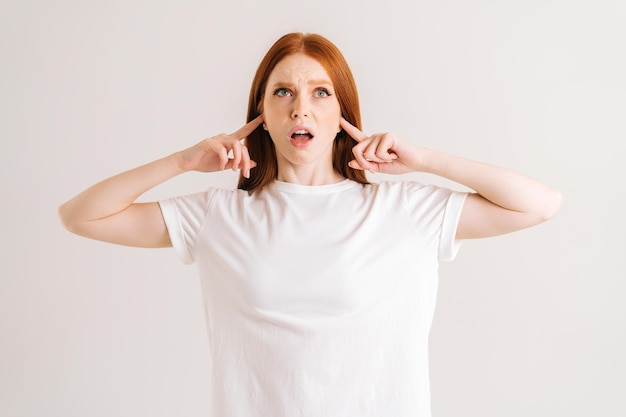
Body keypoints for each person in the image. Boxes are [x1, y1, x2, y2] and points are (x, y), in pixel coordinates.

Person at [58, 32, 562, 417]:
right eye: (283, 92)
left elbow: (538, 205)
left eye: (321, 92)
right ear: (262, 112)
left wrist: (426, 159)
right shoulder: (219, 215)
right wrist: (182, 162)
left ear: (343, 110)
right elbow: (79, 215)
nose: (301, 107)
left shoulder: (404, 211)